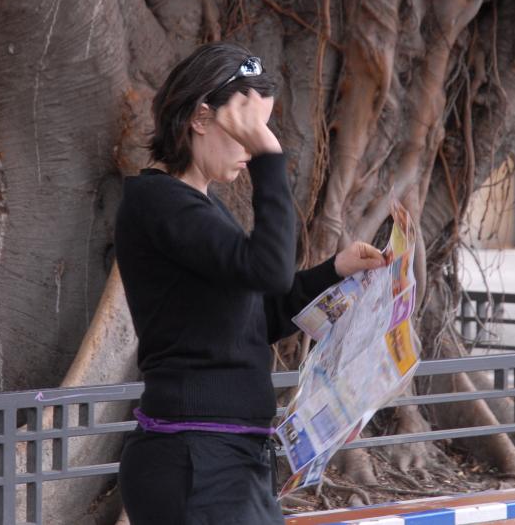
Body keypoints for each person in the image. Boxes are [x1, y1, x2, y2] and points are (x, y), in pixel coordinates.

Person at [115, 44, 386, 524]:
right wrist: (269, 161)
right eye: (249, 131)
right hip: (193, 460)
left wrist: (335, 271)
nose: (254, 147)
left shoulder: (200, 206)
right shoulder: (157, 203)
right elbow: (269, 271)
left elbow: (257, 318)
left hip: (227, 458)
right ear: (201, 117)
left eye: (261, 133)